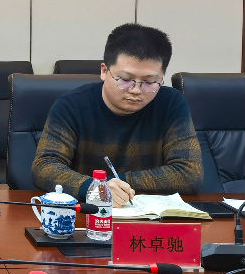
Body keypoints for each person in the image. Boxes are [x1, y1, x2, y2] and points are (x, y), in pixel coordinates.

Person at [32, 23, 202, 207]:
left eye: (150, 82)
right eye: (126, 80)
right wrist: (94, 188)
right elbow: (44, 167)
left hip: (150, 214)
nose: (136, 90)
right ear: (104, 71)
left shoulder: (171, 104)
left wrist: (116, 184)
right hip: (89, 214)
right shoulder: (71, 106)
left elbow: (189, 173)